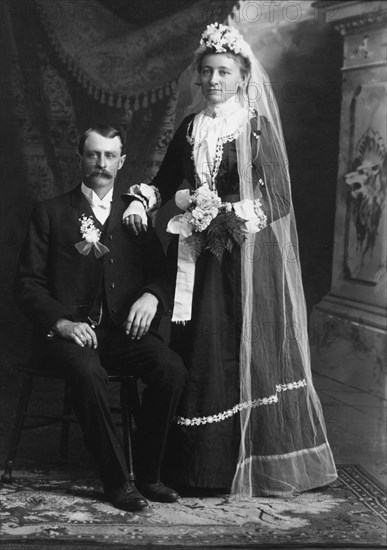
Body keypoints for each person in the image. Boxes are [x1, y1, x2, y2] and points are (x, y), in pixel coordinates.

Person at [122, 23, 338, 497]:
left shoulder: (254, 127)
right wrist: (143, 199)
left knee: (230, 353)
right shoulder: (191, 127)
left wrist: (231, 215)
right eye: (206, 72)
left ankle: (236, 466)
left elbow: (278, 198)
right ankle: (190, 469)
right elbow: (164, 180)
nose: (213, 80)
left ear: (242, 76)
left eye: (223, 71)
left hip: (241, 265)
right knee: (195, 354)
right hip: (193, 265)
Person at [14, 124, 187, 511]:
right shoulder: (51, 212)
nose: (101, 163)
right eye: (93, 154)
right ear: (80, 159)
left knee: (171, 368)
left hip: (121, 334)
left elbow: (161, 273)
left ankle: (148, 475)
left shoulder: (134, 213)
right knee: (88, 371)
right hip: (66, 337)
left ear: (122, 162)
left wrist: (151, 296)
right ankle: (116, 482)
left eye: (110, 156)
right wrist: (63, 323)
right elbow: (27, 284)